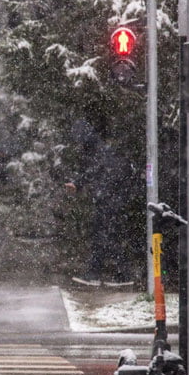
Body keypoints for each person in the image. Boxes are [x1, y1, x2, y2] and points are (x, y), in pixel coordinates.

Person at [64, 120, 138, 287]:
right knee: (106, 236)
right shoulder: (100, 150)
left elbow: (96, 170)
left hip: (109, 200)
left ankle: (110, 274)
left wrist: (79, 182)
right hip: (110, 199)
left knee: (105, 236)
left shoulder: (97, 151)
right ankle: (108, 274)